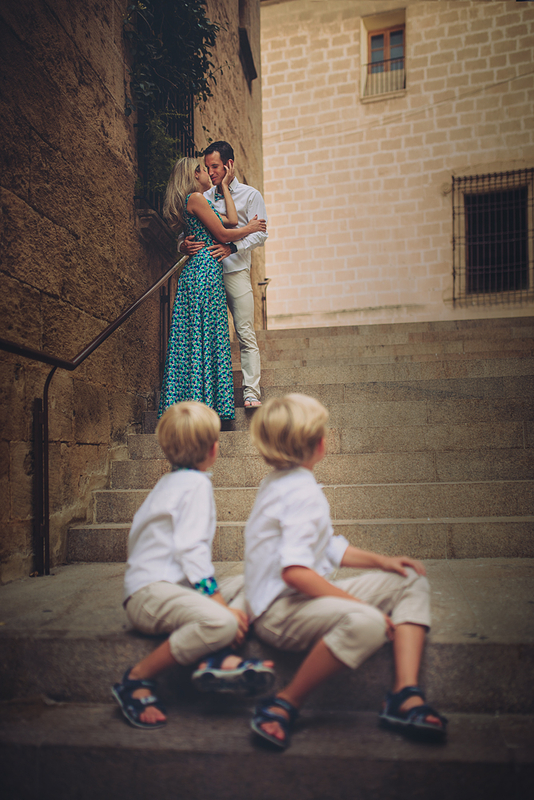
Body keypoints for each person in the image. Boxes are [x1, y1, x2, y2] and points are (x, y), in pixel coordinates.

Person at [244, 394, 447, 749]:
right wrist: (361, 605)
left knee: (408, 579)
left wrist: (382, 561)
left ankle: (404, 693)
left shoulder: (281, 481)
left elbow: (326, 546)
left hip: (294, 600)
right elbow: (295, 572)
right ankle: (285, 702)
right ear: (320, 445)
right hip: (279, 613)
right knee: (367, 623)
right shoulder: (301, 492)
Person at [112, 401, 275, 730]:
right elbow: (192, 551)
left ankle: (213, 656)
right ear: (214, 449)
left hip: (160, 592)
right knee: (223, 621)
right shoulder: (196, 486)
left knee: (252, 581)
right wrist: (218, 604)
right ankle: (136, 678)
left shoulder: (167, 484)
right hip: (151, 595)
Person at [159, 157, 267, 420]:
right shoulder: (196, 199)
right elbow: (224, 235)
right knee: (204, 336)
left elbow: (231, 220)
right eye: (204, 169)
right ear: (195, 175)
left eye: (212, 168)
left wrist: (225, 187)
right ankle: (202, 404)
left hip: (207, 271)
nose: (209, 172)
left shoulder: (198, 200)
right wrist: (250, 228)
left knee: (204, 337)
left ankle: (202, 403)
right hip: (204, 272)